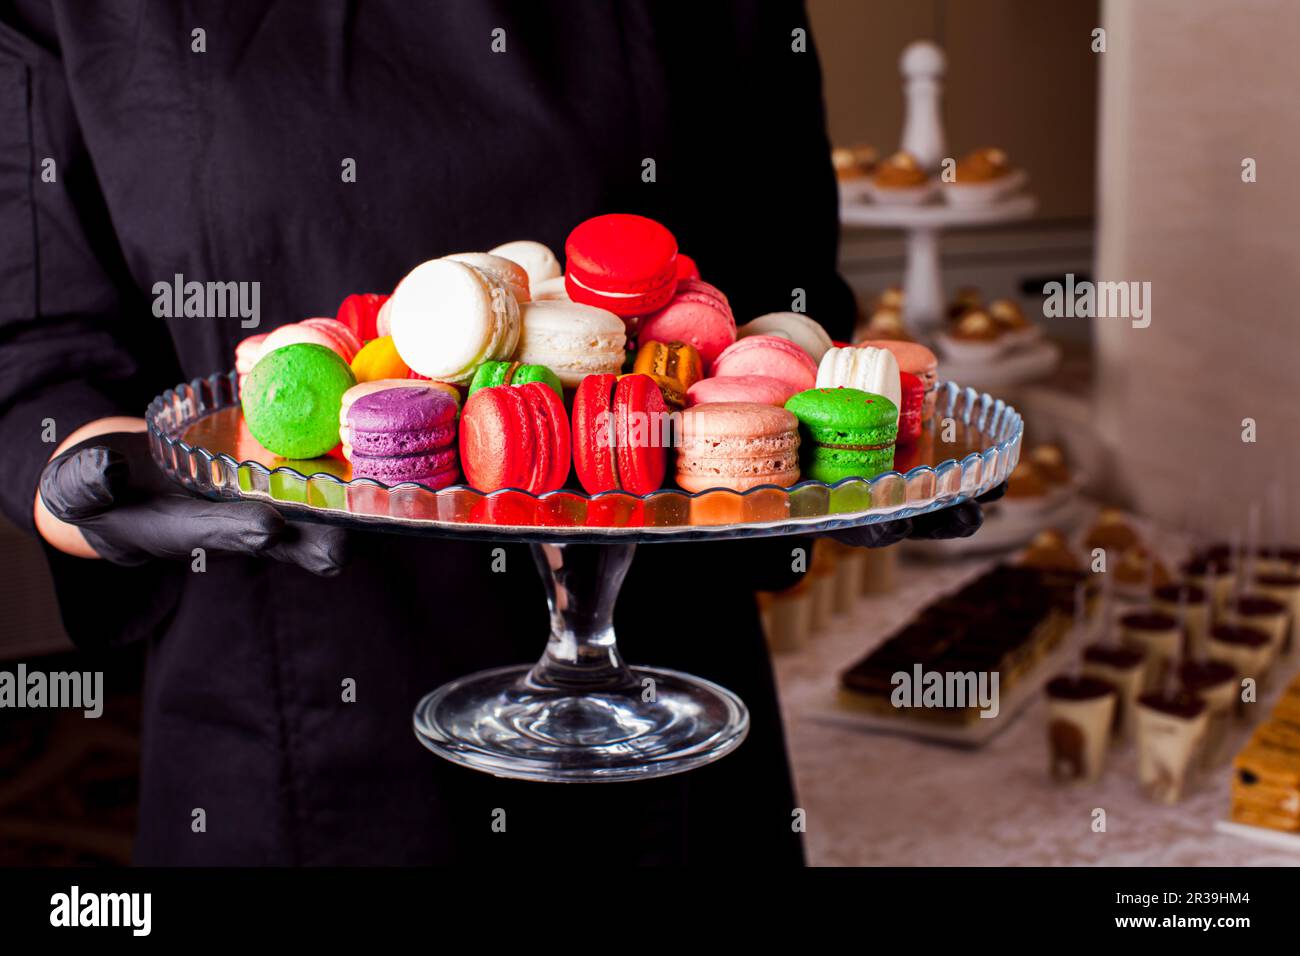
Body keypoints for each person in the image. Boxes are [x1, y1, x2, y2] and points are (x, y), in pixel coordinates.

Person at [1, 0, 991, 865]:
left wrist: (841, 458)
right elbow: (37, 340)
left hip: (655, 696)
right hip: (285, 715)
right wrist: (86, 482)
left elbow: (783, 295)